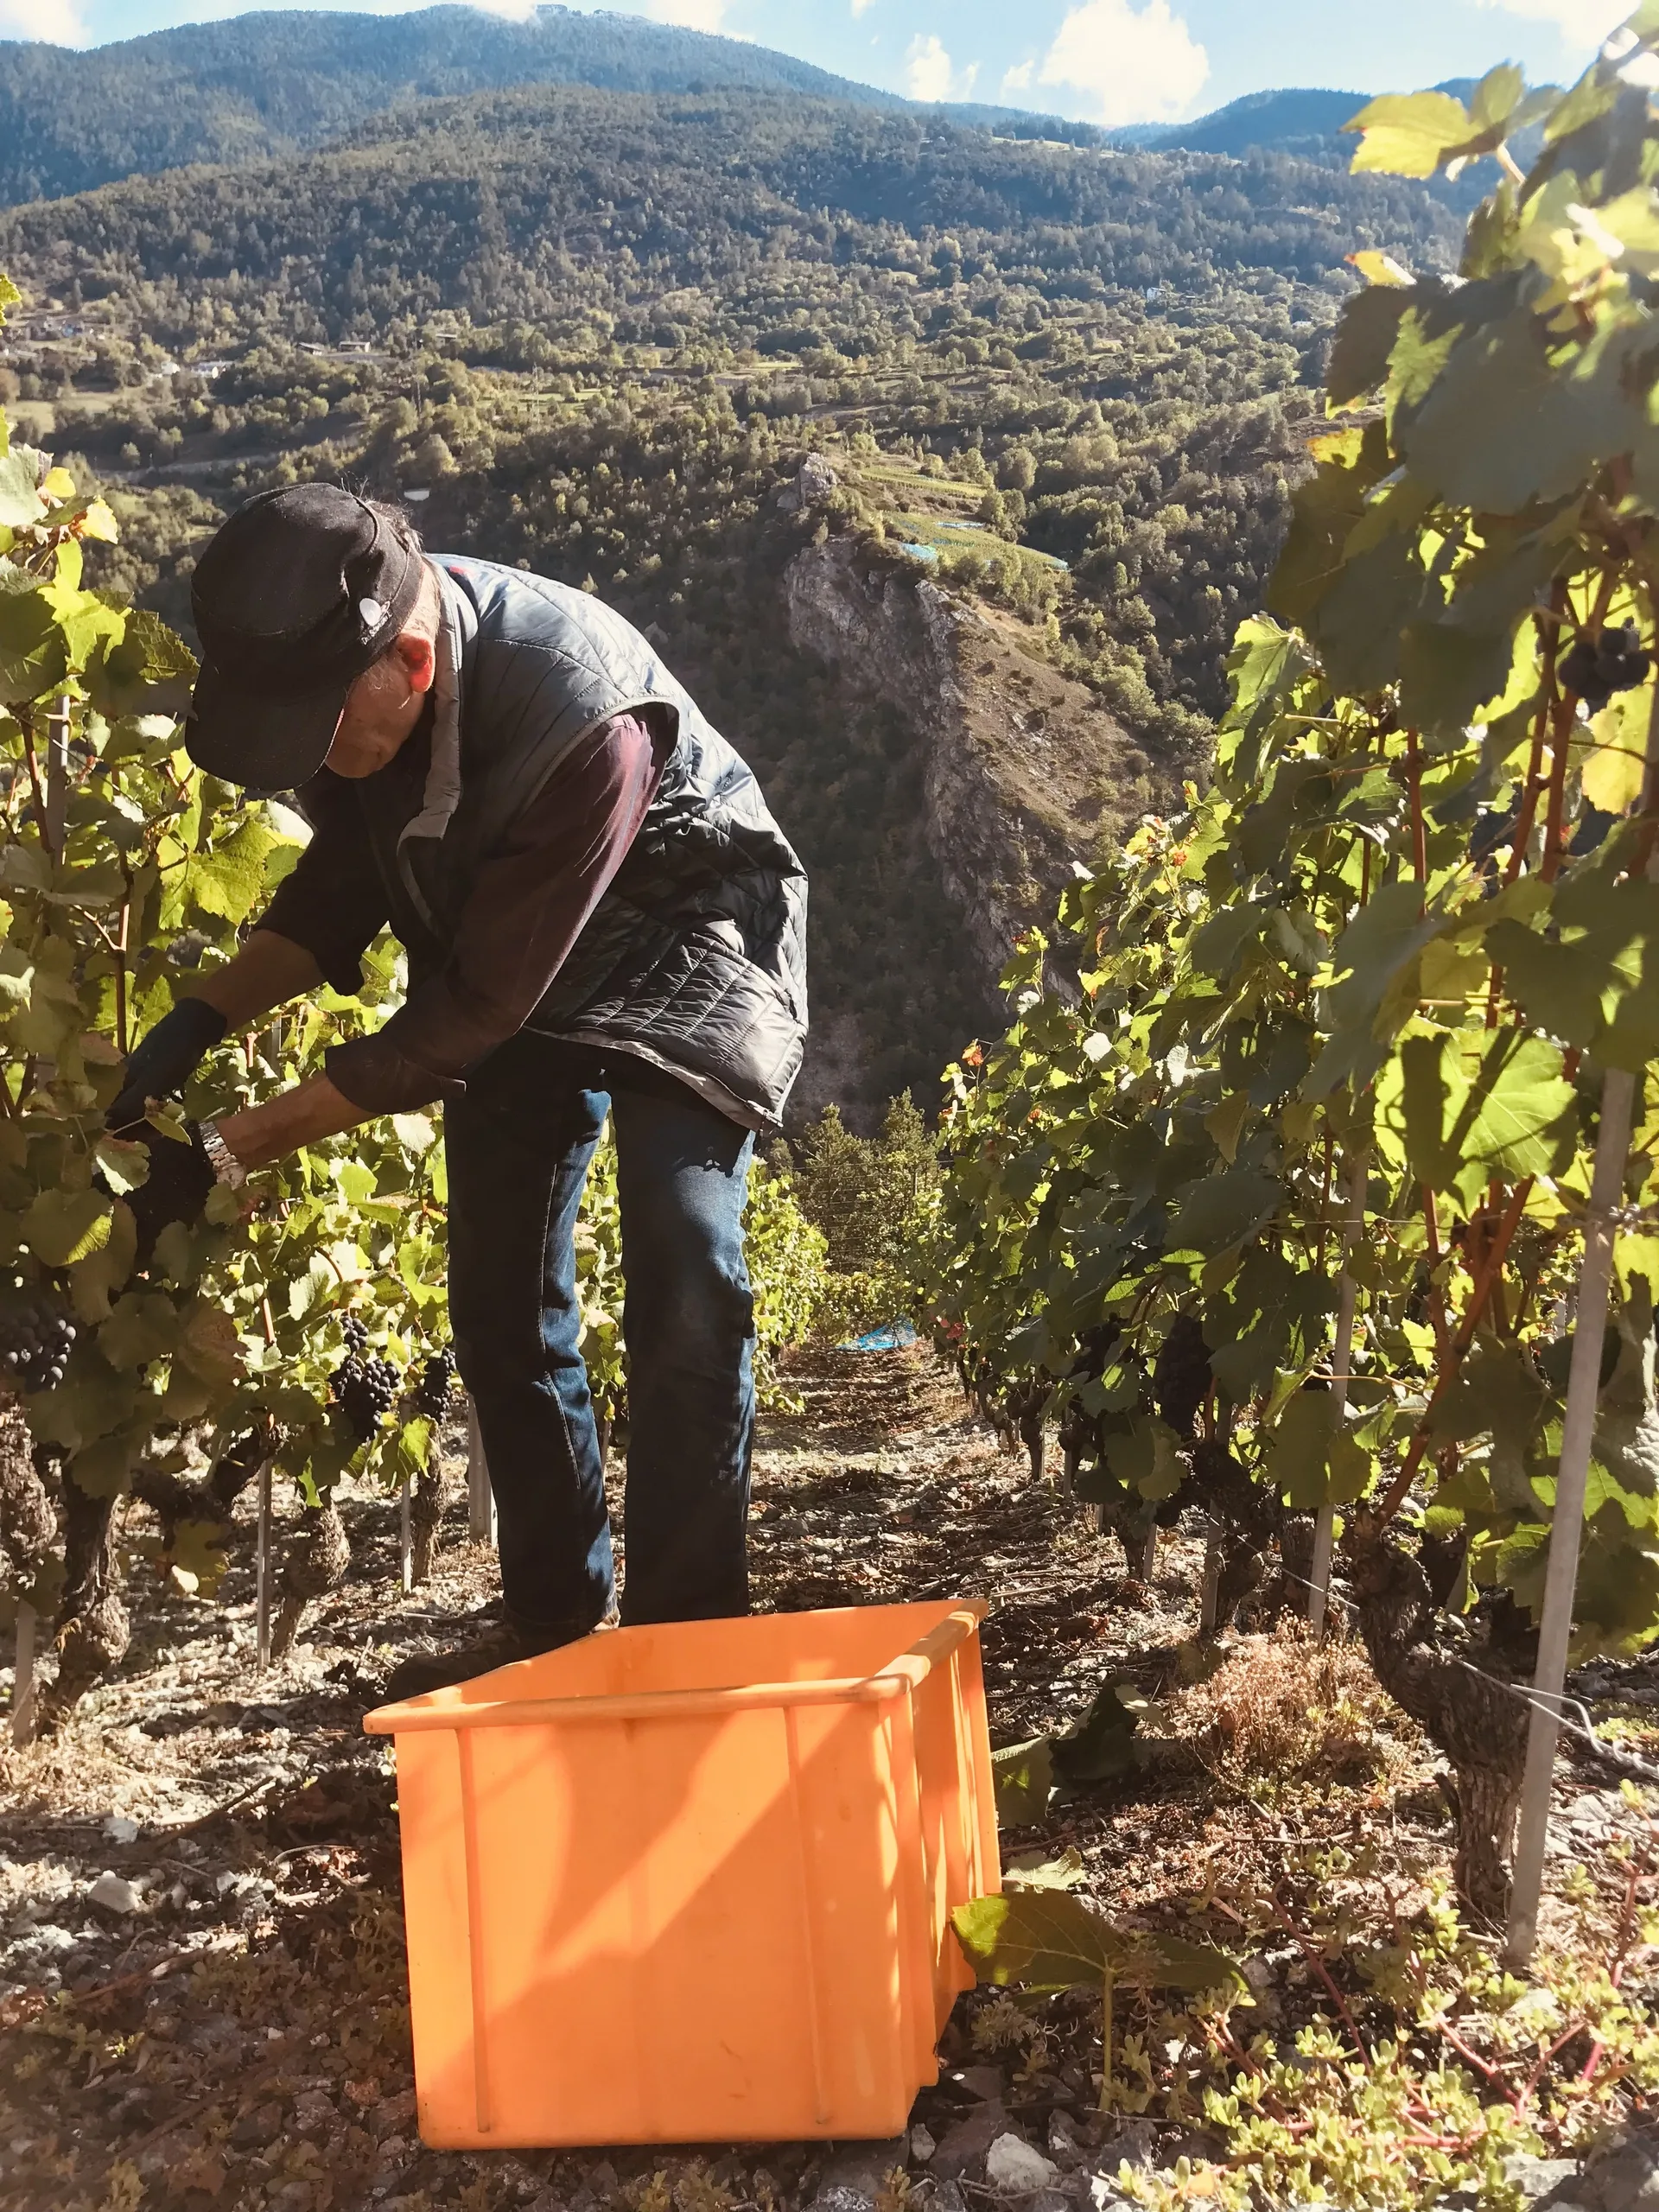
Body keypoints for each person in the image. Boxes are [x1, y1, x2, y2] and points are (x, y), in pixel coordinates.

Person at [111, 485, 808, 1694]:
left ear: (414, 661)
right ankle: (553, 1628)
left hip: (685, 943)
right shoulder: (359, 684)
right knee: (497, 1303)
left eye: (322, 731)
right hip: (507, 944)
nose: (314, 755)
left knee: (684, 1265)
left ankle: (687, 1645)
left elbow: (467, 1018)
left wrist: (228, 1147)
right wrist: (200, 1014)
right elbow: (345, 883)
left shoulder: (583, 715)